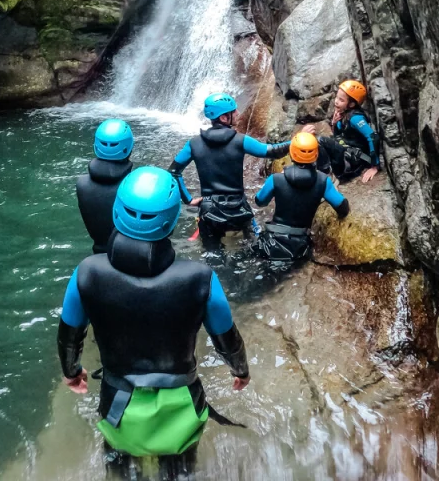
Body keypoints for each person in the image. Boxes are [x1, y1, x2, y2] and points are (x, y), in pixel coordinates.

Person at [58, 167, 249, 476]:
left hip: (118, 406)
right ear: (172, 219)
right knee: (180, 471)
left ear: (117, 211)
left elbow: (69, 335)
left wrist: (71, 372)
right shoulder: (201, 279)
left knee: (120, 470)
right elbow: (227, 339)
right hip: (182, 407)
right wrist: (241, 371)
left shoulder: (87, 274)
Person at [168, 93, 291, 248]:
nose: (238, 113)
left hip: (209, 210)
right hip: (238, 209)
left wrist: (188, 200)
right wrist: (298, 141)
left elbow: (173, 172)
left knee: (213, 257)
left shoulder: (193, 144)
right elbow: (272, 151)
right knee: (246, 251)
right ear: (224, 118)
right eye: (234, 111)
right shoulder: (241, 141)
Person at [255, 133, 349, 262]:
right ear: (316, 154)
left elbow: (260, 202)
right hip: (299, 245)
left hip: (271, 240)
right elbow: (343, 208)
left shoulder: (275, 179)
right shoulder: (323, 181)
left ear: (292, 153)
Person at [76, 119, 135, 254]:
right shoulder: (135, 185)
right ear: (129, 147)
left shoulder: (81, 183)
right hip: (131, 257)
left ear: (96, 146)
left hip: (98, 253)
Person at [304, 80, 380, 184]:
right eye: (337, 97)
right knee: (314, 141)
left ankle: (327, 179)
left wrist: (374, 166)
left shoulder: (355, 118)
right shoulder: (343, 114)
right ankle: (317, 170)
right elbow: (339, 136)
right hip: (344, 153)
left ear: (352, 104)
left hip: (352, 160)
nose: (336, 101)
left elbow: (373, 137)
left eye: (341, 100)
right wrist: (334, 124)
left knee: (318, 140)